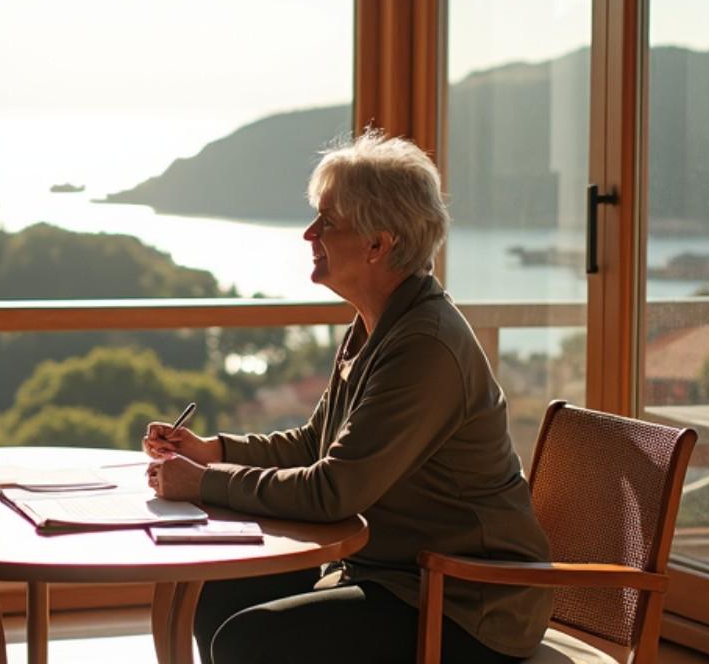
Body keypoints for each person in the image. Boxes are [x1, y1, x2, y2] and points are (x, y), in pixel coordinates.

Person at [144, 131, 552, 663]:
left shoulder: (425, 347)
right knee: (219, 591)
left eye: (327, 222)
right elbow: (316, 442)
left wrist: (205, 482)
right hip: (397, 575)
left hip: (466, 603)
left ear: (379, 244)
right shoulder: (379, 323)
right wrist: (211, 450)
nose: (309, 233)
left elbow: (334, 490)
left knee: (252, 640)